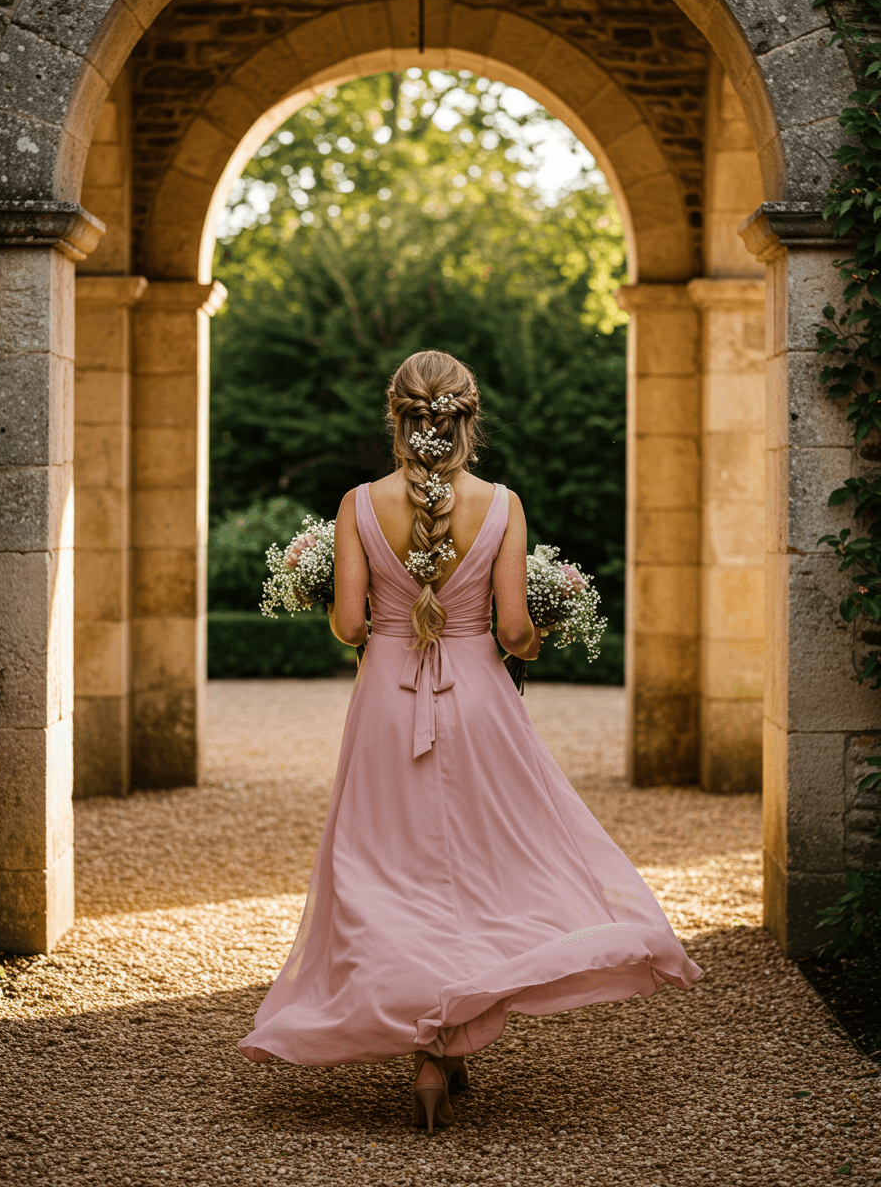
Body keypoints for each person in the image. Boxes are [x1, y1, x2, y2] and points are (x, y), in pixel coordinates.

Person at [238, 349, 702, 1131]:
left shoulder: (357, 505)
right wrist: (542, 630)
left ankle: (428, 1055)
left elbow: (351, 625)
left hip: (387, 700)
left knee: (386, 869)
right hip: (478, 701)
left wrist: (350, 596)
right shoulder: (504, 504)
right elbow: (514, 631)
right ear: (465, 423)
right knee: (491, 866)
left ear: (399, 420)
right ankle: (445, 1046)